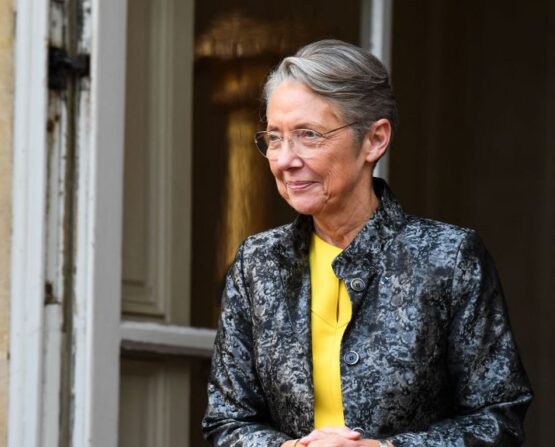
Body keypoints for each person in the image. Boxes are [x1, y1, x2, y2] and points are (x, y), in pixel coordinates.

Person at [201, 39, 533, 447]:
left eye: (308, 135)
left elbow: (498, 420)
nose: (285, 159)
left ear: (374, 140)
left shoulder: (448, 258)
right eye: (274, 137)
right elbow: (226, 422)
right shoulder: (258, 264)